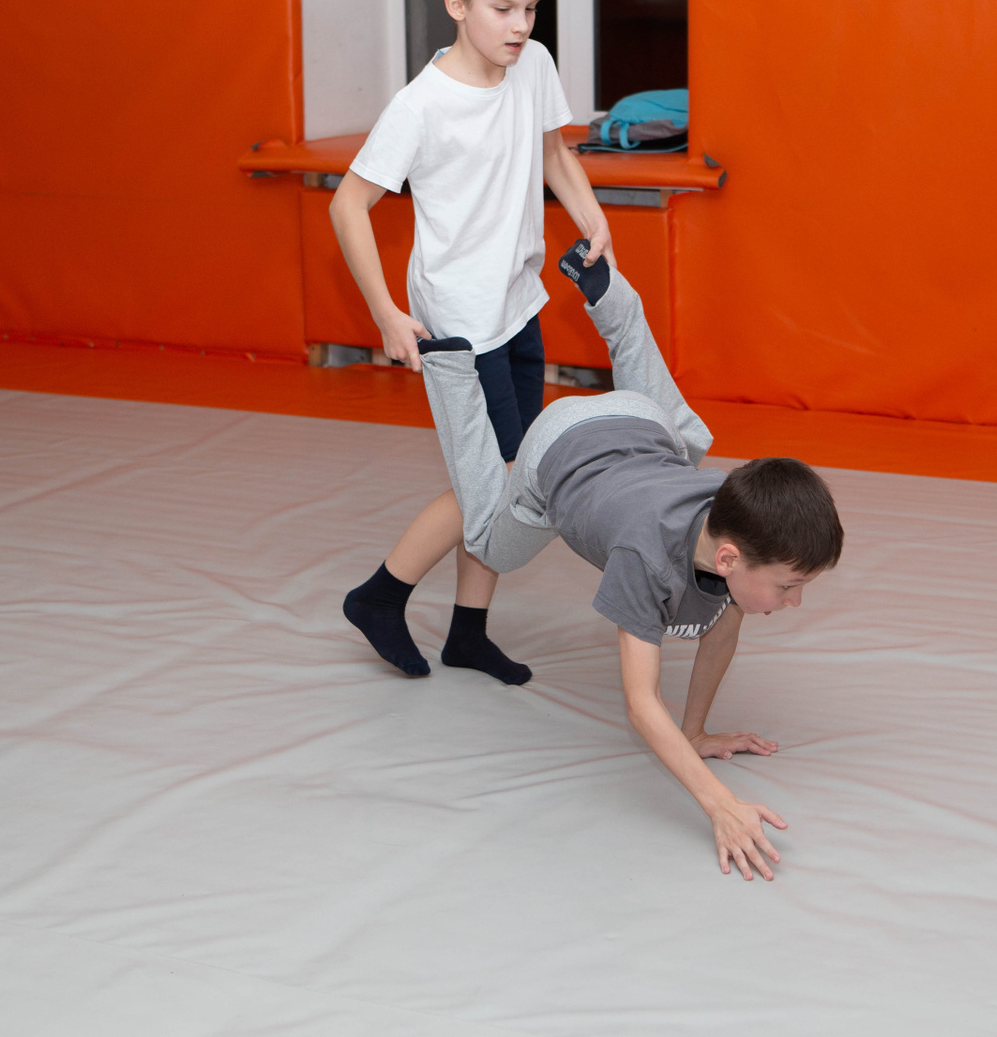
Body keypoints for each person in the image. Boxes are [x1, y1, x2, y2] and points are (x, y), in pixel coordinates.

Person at [354, 242, 846, 881]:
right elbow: (641, 703)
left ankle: (610, 296)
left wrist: (696, 732)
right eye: (789, 586)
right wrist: (719, 804)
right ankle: (450, 369)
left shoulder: (729, 513)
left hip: (637, 418)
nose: (794, 601)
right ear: (729, 559)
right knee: (490, 539)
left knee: (688, 440)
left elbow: (723, 626)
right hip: (555, 445)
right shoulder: (647, 560)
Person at [331, 0, 611, 687]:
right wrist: (387, 313)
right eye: (503, 9)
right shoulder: (421, 106)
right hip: (457, 323)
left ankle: (467, 633)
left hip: (517, 303)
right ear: (456, 4)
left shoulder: (532, 64)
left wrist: (591, 215)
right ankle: (379, 596)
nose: (521, 26)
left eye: (531, 9)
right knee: (499, 482)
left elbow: (553, 152)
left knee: (507, 473)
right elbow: (348, 206)